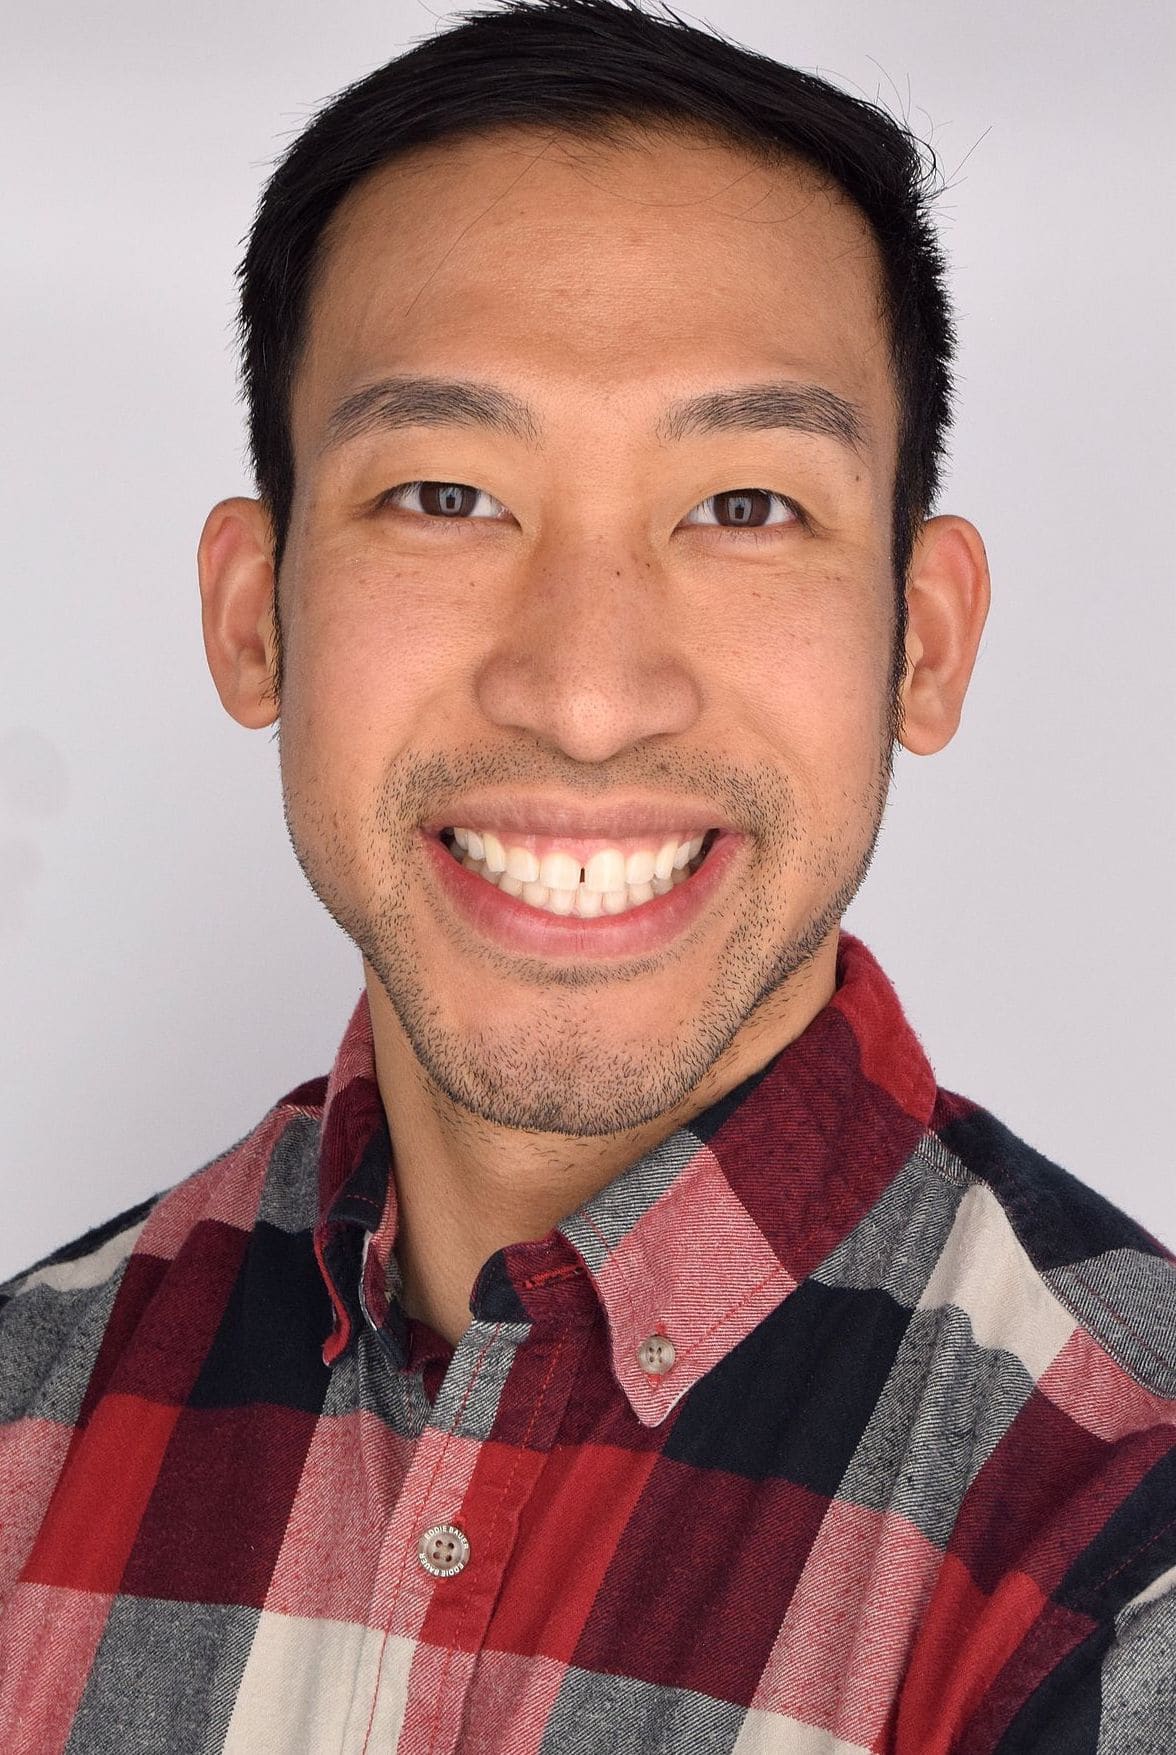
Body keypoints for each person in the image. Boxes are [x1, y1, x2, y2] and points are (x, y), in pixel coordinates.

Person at [2, 0, 1172, 1747]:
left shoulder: (1125, 1538)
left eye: (745, 509)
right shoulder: (24, 1422)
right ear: (258, 617)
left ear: (923, 648)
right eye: (449, 495)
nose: (588, 691)